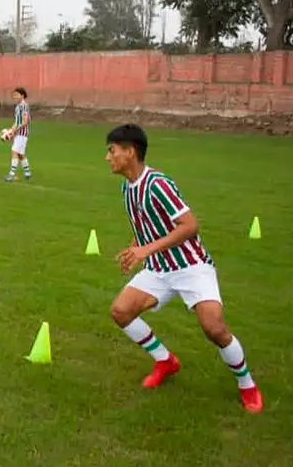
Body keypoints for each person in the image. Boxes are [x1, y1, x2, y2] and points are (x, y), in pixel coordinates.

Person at [105, 123, 263, 414]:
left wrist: (145, 250)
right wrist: (134, 249)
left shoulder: (158, 184)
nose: (108, 157)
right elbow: (145, 228)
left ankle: (247, 384)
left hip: (191, 265)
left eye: (112, 151)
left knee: (214, 328)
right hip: (159, 268)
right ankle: (165, 361)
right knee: (120, 311)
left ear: (130, 152)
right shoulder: (127, 188)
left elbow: (190, 225)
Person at [4, 87, 32, 181]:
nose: (14, 97)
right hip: (18, 133)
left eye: (16, 95)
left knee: (14, 152)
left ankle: (11, 175)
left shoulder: (24, 106)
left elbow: (25, 122)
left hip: (22, 133)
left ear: (22, 95)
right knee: (20, 154)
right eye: (13, 95)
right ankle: (27, 173)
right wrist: (11, 131)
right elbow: (17, 121)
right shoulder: (18, 107)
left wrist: (15, 130)